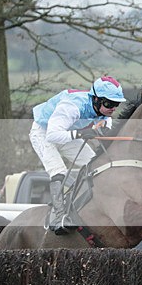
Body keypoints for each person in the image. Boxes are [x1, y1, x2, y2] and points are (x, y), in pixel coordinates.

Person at [30, 75, 126, 235]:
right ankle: (58, 217)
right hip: (44, 132)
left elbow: (104, 128)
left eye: (116, 104)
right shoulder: (72, 106)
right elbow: (52, 135)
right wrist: (84, 133)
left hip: (66, 133)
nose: (113, 108)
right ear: (96, 99)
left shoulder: (103, 110)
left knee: (93, 165)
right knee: (58, 171)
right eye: (109, 103)